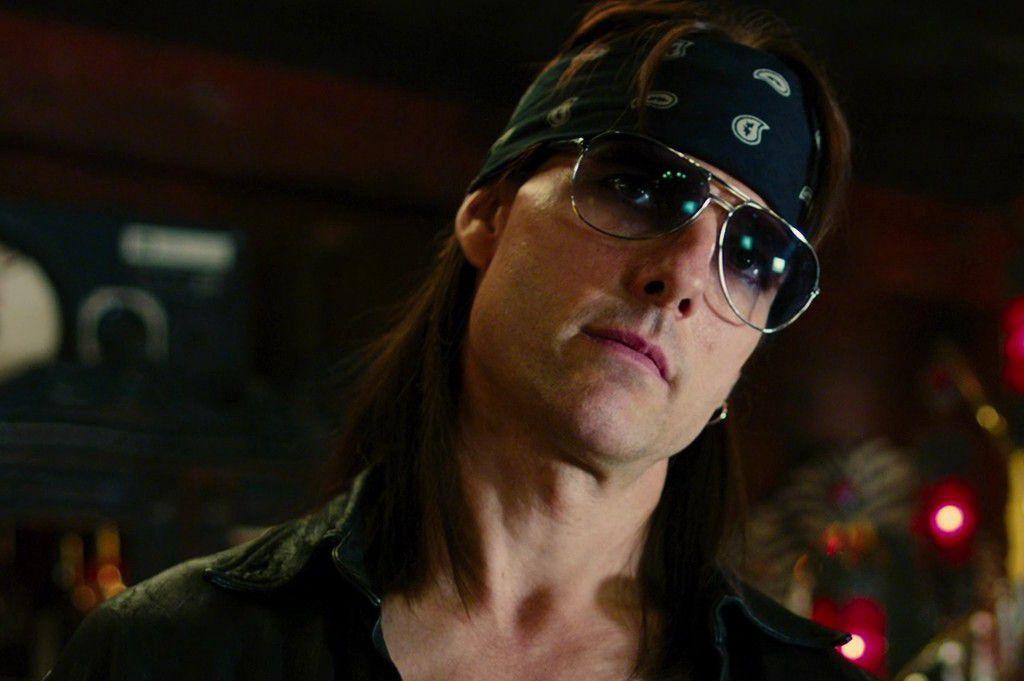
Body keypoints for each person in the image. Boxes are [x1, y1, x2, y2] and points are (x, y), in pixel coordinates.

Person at [47, 1, 863, 679]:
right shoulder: (171, 653)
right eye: (637, 186)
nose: (682, 276)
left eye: (753, 256)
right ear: (489, 213)